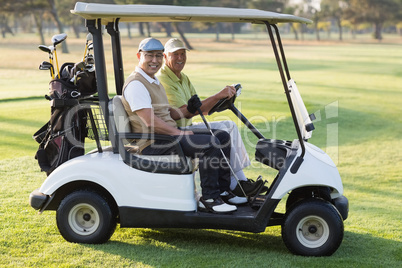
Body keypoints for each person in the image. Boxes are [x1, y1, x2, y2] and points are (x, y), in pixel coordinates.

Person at [121, 37, 240, 213]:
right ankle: (208, 198)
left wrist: (189, 110)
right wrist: (178, 134)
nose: (154, 60)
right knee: (211, 144)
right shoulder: (137, 84)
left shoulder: (153, 81)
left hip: (166, 136)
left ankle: (222, 190)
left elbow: (169, 113)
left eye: (158, 56)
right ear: (139, 56)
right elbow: (150, 121)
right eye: (149, 56)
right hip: (153, 142)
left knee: (222, 136)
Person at [158, 38, 264, 197]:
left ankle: (239, 182)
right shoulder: (164, 79)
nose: (180, 57)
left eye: (183, 53)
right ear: (165, 57)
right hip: (176, 130)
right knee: (222, 131)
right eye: (175, 54)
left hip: (186, 125)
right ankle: (236, 185)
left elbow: (200, 109)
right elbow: (184, 112)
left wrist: (221, 100)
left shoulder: (183, 78)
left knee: (229, 125)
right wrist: (217, 96)